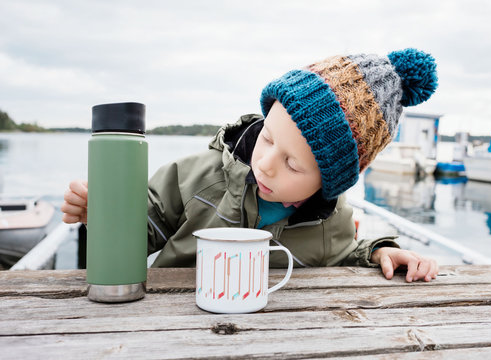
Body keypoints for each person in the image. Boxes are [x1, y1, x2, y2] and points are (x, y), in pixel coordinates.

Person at [62, 48, 439, 282]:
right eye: (268, 137)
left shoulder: (330, 220)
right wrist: (102, 214)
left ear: (329, 182)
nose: (267, 164)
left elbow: (343, 253)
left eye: (293, 163)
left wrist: (379, 252)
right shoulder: (197, 177)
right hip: (168, 321)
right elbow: (143, 228)